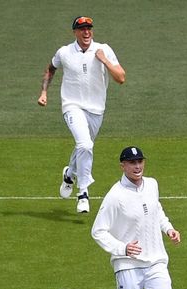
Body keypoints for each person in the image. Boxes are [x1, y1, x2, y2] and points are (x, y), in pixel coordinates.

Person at [90, 146, 181, 289]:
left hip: (156, 260)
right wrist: (122, 248)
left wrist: (168, 228)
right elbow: (98, 231)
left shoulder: (152, 184)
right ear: (123, 166)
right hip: (127, 264)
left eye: (140, 161)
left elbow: (156, 209)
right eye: (132, 163)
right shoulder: (115, 196)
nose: (137, 166)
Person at [38, 16, 126, 214]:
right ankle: (83, 194)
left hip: (96, 109)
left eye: (89, 28)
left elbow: (121, 78)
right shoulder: (64, 52)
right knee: (85, 145)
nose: (86, 32)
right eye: (82, 29)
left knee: (83, 147)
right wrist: (44, 92)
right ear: (75, 32)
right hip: (72, 106)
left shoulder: (104, 49)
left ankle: (69, 174)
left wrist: (104, 60)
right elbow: (51, 69)